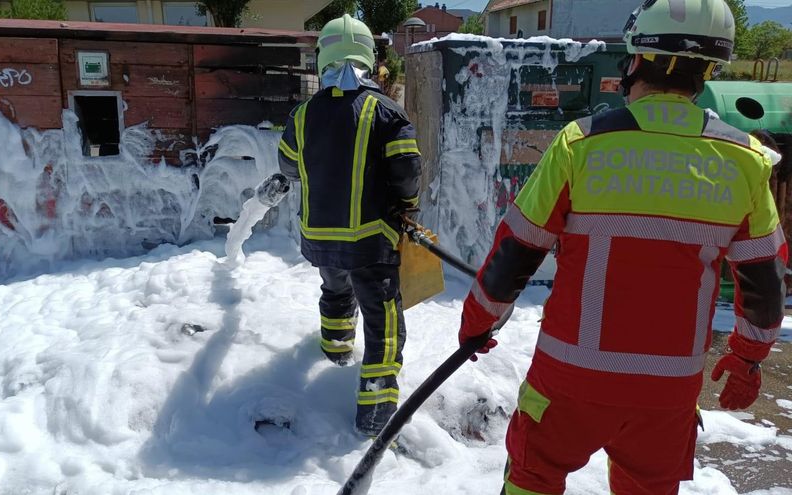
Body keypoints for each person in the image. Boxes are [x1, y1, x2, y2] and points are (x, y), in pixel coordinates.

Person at [457, 1, 787, 493]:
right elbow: (764, 279)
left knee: (532, 478)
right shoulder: (745, 161)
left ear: (635, 61)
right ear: (708, 70)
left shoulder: (580, 145)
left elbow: (517, 249)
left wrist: (478, 324)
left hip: (569, 381)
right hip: (667, 392)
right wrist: (747, 357)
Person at [276, 14, 422, 436]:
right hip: (371, 242)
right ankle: (375, 419)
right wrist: (406, 207)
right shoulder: (388, 112)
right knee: (384, 322)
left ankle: (335, 355)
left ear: (323, 59)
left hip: (320, 238)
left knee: (336, 291)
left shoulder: (302, 115)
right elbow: (408, 174)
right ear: (369, 59)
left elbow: (288, 166)